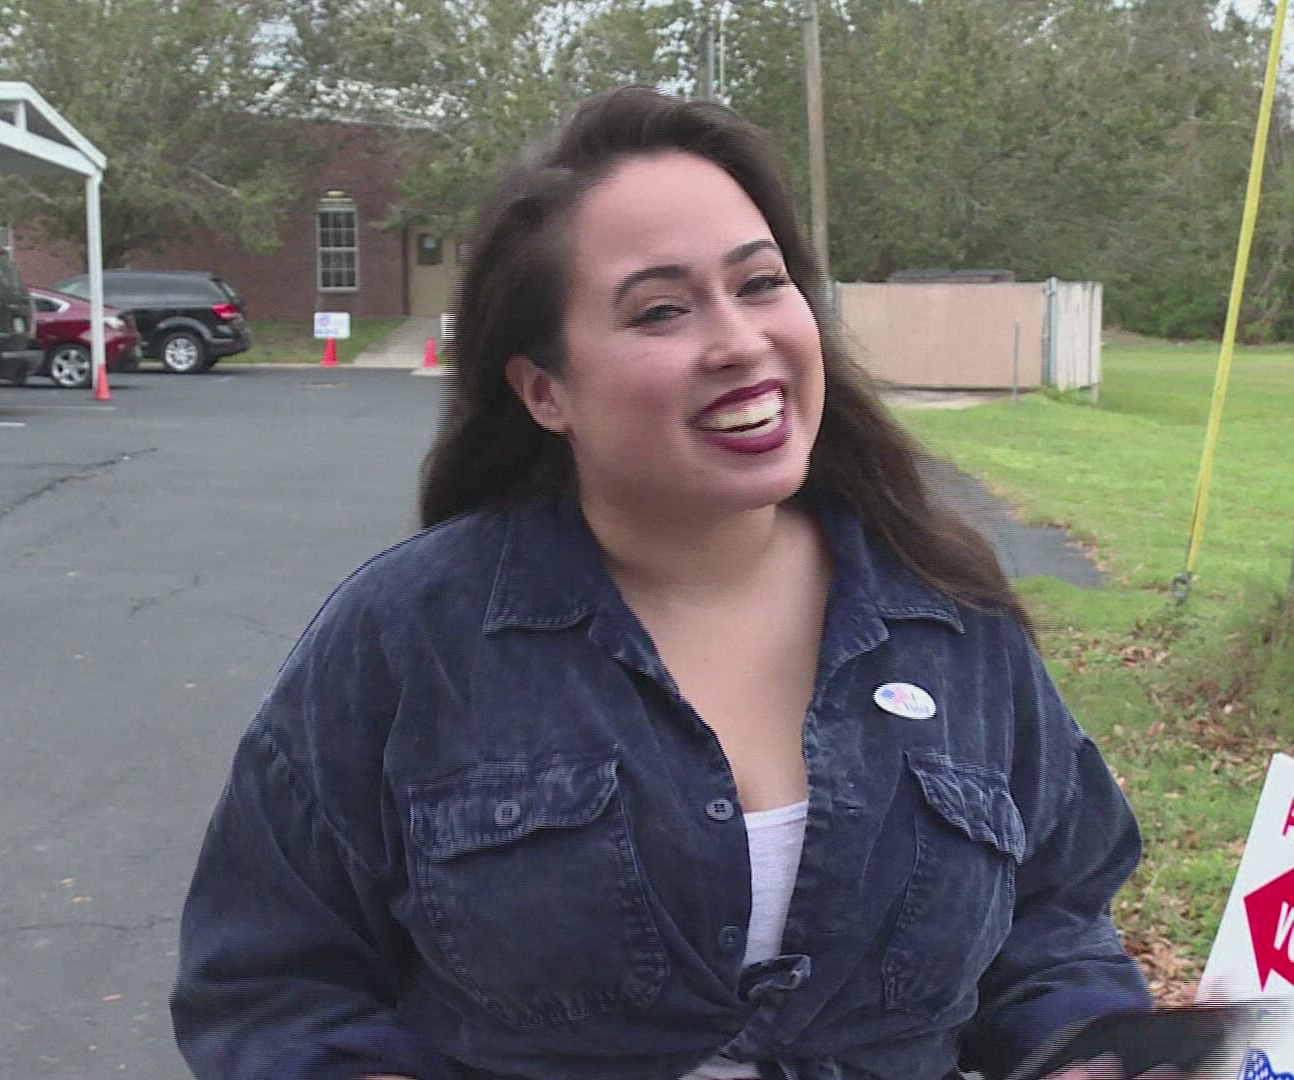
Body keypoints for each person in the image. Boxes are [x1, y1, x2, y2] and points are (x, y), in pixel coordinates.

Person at [171, 86, 1173, 1080]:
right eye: (661, 310)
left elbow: (1055, 920)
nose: (739, 341)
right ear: (545, 390)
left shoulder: (951, 618)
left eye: (761, 283)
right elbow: (266, 984)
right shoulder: (406, 638)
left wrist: (1083, 1048)